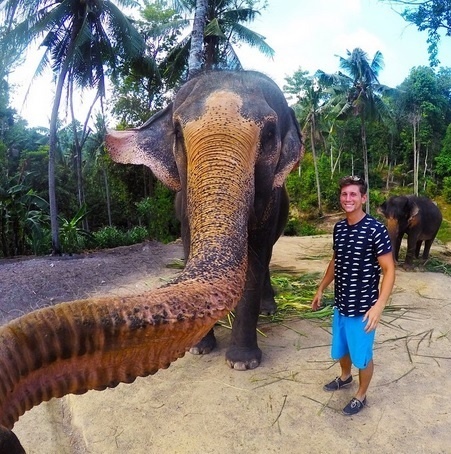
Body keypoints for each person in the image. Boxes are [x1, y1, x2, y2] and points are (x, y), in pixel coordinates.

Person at [311, 175, 395, 416]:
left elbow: (389, 270)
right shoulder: (339, 228)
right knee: (343, 348)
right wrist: (321, 287)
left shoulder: (375, 230)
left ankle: (361, 395)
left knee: (363, 357)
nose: (348, 199)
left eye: (353, 194)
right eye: (344, 194)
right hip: (341, 304)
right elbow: (336, 261)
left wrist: (379, 306)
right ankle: (346, 377)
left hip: (364, 310)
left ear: (363, 198)